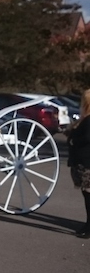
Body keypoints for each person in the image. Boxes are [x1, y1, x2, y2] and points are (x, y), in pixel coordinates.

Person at [66, 89, 90, 238]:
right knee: (87, 196)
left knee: (88, 196)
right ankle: (87, 224)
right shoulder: (84, 119)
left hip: (87, 162)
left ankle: (89, 227)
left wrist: (74, 141)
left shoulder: (88, 120)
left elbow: (87, 137)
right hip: (83, 162)